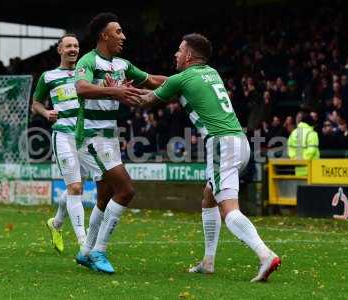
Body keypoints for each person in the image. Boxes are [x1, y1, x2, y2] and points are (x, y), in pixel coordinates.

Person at [137, 33, 281, 282]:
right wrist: (139, 80)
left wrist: (114, 91)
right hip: (240, 141)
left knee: (229, 209)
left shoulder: (182, 79)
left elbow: (145, 100)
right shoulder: (211, 73)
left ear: (189, 55)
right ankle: (208, 261)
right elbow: (167, 83)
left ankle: (265, 254)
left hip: (221, 144)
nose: (175, 54)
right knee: (208, 197)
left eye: (180, 50)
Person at [74, 12, 166, 274]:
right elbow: (81, 87)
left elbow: (151, 81)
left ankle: (85, 251)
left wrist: (185, 82)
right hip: (90, 137)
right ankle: (99, 252)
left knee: (104, 196)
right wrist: (116, 90)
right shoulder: (88, 61)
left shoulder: (122, 65)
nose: (123, 37)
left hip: (109, 137)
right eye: (118, 32)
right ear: (104, 35)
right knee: (125, 190)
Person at [31, 34, 92, 253]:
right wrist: (46, 112)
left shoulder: (85, 73)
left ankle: (56, 223)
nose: (73, 49)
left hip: (85, 135)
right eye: (68, 46)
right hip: (63, 135)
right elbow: (36, 103)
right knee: (75, 187)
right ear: (60, 50)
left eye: (76, 45)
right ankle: (83, 242)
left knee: (76, 186)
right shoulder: (48, 76)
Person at [288, 111, 320, 176]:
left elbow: (290, 148)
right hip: (313, 169)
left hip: (299, 169)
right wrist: (303, 160)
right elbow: (312, 150)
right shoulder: (312, 133)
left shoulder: (294, 132)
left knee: (300, 185)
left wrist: (295, 159)